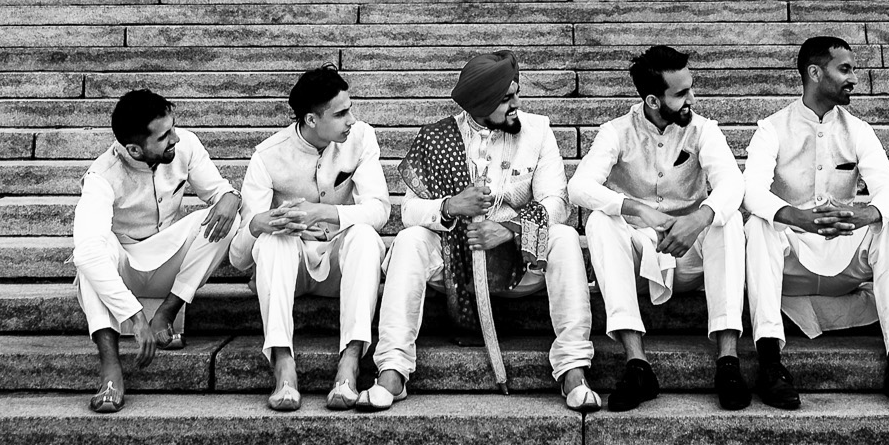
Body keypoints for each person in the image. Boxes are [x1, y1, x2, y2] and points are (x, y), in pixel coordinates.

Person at [361, 50, 602, 414]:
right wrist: (451, 206)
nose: (516, 105)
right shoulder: (438, 138)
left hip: (521, 254)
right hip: (454, 253)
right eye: (506, 99)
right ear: (481, 103)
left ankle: (573, 369)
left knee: (565, 236)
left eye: (517, 94)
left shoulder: (538, 132)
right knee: (410, 239)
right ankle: (393, 370)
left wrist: (510, 228)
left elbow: (557, 201)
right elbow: (408, 211)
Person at [742, 34, 889, 411]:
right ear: (814, 73)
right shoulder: (772, 129)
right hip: (794, 256)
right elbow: (750, 192)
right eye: (845, 69)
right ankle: (770, 361)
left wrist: (865, 214)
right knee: (757, 225)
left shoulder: (858, 130)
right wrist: (796, 217)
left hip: (844, 250)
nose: (853, 77)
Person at [570, 44, 751, 411]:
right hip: (639, 256)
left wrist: (698, 218)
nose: (692, 99)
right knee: (601, 221)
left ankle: (728, 363)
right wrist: (639, 209)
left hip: (691, 257)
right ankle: (637, 365)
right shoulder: (616, 132)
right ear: (653, 100)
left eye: (691, 88)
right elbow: (578, 187)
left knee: (727, 220)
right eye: (681, 93)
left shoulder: (703, 130)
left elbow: (734, 184)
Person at [72, 87, 241, 414]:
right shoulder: (102, 176)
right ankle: (110, 370)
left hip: (169, 266)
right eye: (164, 136)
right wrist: (134, 317)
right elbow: (88, 253)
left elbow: (219, 191)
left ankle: (166, 313)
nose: (175, 139)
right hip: (124, 270)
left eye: (173, 128)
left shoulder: (186, 145)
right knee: (92, 250)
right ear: (135, 148)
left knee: (223, 217)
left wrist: (231, 196)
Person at [231, 65, 389, 412]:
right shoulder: (267, 156)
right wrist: (260, 223)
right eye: (341, 113)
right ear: (311, 119)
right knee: (274, 240)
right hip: (292, 267)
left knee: (363, 235)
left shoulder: (361, 139)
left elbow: (379, 210)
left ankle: (350, 360)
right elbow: (239, 258)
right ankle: (283, 363)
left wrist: (325, 213)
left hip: (338, 264)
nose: (351, 120)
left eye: (350, 108)